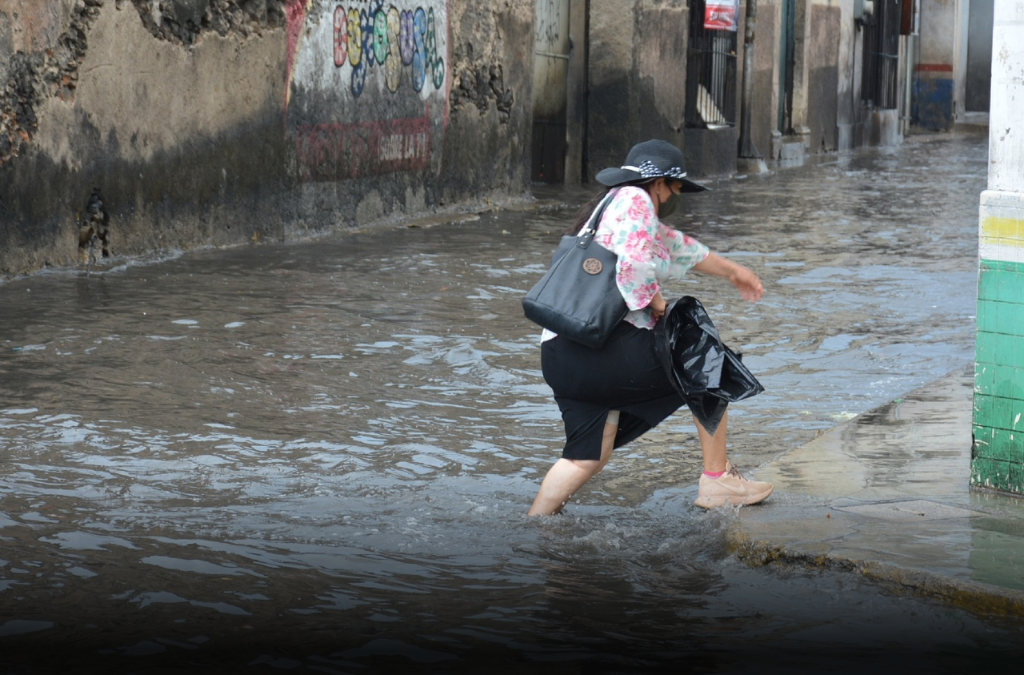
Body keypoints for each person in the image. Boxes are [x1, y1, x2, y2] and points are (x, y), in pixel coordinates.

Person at [528, 139, 772, 516]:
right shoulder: (635, 200)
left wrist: (734, 272)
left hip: (562, 352)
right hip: (595, 348)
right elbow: (635, 268)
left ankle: (537, 528)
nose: (674, 197)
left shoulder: (609, 207)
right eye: (674, 189)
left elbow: (678, 246)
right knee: (706, 360)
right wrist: (659, 306)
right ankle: (717, 480)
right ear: (658, 183)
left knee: (586, 457)